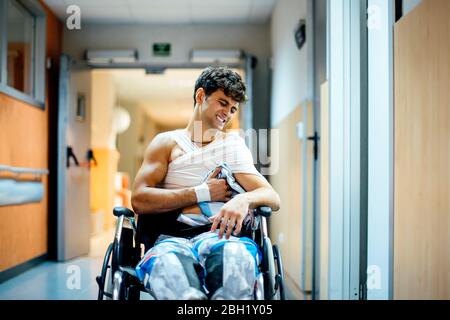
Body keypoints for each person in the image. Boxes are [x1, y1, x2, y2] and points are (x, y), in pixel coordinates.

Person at [131, 66, 281, 300]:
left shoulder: (233, 146)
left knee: (233, 275)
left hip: (222, 238)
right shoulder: (167, 143)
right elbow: (139, 200)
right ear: (201, 96)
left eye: (233, 108)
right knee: (181, 288)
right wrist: (203, 192)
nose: (228, 113)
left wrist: (243, 199)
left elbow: (272, 197)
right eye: (223, 103)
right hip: (170, 239)